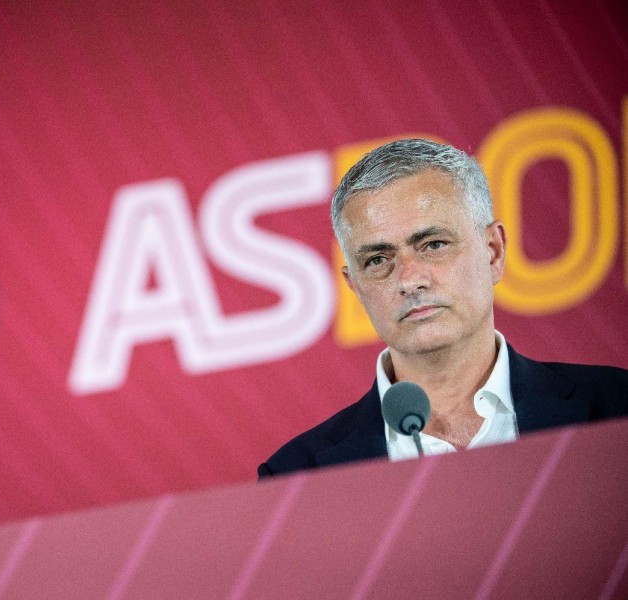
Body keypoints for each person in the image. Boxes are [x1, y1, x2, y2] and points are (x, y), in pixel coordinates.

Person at [258, 138, 628, 477]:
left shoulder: (615, 407)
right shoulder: (297, 476)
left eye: (434, 244)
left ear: (493, 252)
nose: (409, 279)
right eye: (377, 260)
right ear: (354, 286)